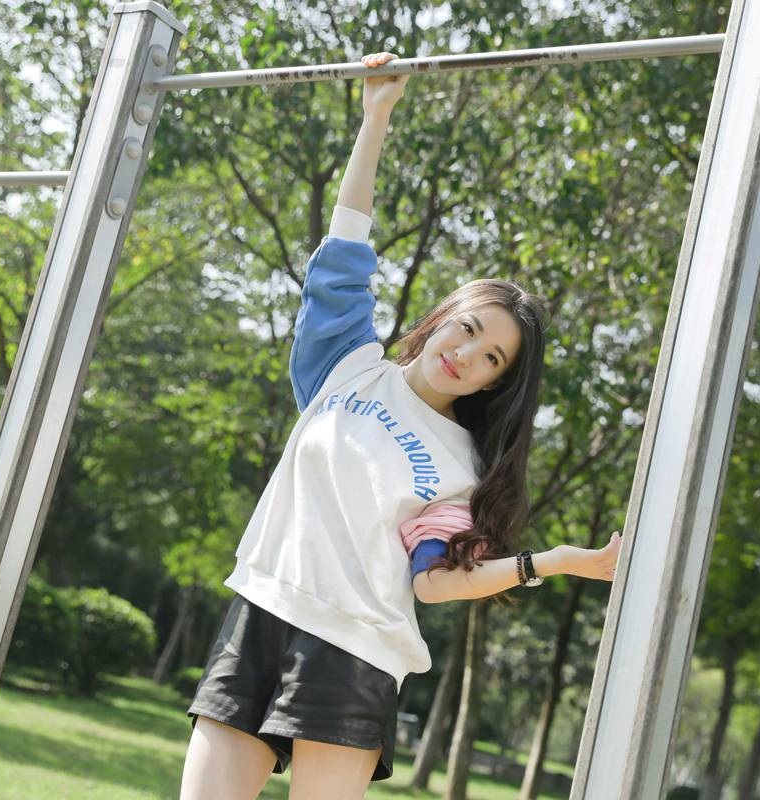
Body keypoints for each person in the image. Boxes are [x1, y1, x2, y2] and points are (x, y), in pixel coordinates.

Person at [178, 50, 624, 800]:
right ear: (443, 316)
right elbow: (344, 254)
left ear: (494, 382)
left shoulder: (462, 463)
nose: (468, 356)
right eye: (470, 329)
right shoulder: (347, 366)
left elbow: (436, 586)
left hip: (356, 652)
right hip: (262, 610)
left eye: (491, 359)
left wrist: (551, 563)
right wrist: (376, 116)